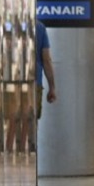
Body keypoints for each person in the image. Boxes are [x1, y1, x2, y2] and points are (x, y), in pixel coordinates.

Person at [32, 20, 56, 151]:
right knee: (32, 122)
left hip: (12, 83)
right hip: (35, 83)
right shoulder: (40, 27)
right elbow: (46, 59)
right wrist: (52, 87)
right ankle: (31, 155)